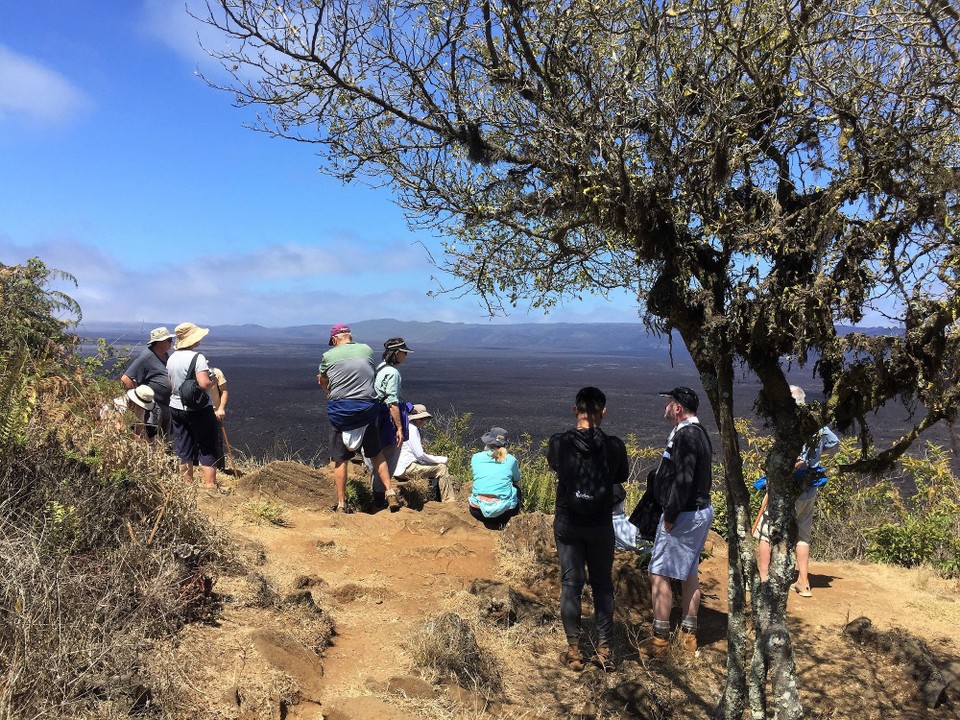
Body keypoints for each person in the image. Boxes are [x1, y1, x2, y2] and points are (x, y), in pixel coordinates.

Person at [548, 386, 629, 672]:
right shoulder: (615, 446)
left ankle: (574, 651)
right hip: (600, 524)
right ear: (602, 411)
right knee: (602, 584)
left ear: (575, 410)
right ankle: (604, 650)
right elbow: (621, 476)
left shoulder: (559, 442)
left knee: (571, 585)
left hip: (568, 521)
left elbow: (556, 466)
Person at [638, 386, 713, 659]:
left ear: (678, 408)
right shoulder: (698, 432)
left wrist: (670, 516)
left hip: (684, 515)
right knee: (689, 573)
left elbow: (684, 480)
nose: (666, 406)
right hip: (698, 511)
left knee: (658, 572)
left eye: (669, 402)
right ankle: (688, 636)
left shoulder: (687, 436)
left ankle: (659, 641)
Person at [754, 385, 840, 597]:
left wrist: (776, 475)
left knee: (765, 532)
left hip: (789, 489)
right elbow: (834, 443)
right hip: (809, 490)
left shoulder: (796, 426)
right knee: (803, 534)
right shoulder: (817, 425)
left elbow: (798, 461)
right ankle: (803, 582)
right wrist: (816, 460)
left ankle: (764, 580)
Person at [318, 323, 399, 513]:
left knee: (340, 460)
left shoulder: (328, 356)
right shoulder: (366, 350)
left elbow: (323, 380)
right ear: (350, 337)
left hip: (341, 412)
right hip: (367, 409)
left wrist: (328, 392)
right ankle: (390, 492)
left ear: (334, 339)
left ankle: (341, 503)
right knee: (376, 454)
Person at [166, 322, 222, 492]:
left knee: (183, 444)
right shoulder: (197, 358)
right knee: (207, 444)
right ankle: (210, 486)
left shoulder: (171, 358)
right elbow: (204, 383)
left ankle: (187, 485)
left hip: (175, 406)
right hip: (198, 409)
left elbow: (170, 383)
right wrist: (213, 380)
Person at [372, 337, 413, 503]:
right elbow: (392, 402)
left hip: (376, 417)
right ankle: (380, 496)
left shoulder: (380, 368)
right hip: (387, 420)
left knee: (378, 454)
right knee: (389, 456)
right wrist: (399, 428)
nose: (405, 356)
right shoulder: (393, 373)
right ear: (396, 353)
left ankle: (377, 493)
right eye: (404, 353)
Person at [393, 403, 457, 503]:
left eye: (424, 419)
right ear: (413, 418)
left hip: (398, 468)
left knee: (433, 467)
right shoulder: (412, 429)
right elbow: (420, 455)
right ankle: (449, 501)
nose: (423, 421)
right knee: (442, 468)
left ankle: (435, 498)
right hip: (407, 468)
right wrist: (441, 459)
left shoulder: (403, 427)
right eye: (421, 419)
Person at [120, 326, 175, 441]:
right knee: (152, 438)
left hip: (165, 405)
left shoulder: (164, 355)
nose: (171, 342)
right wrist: (135, 400)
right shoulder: (146, 357)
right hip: (153, 407)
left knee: (164, 439)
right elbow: (126, 379)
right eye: (169, 340)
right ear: (159, 342)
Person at [467, 426, 521, 527]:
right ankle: (513, 521)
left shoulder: (476, 457)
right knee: (516, 486)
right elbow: (517, 479)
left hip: (477, 511)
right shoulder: (510, 459)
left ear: (487, 442)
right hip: (504, 514)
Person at [207, 367, 229, 471]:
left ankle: (220, 469)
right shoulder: (191, 374)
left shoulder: (216, 372)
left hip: (214, 413)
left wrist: (221, 408)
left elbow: (224, 391)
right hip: (197, 413)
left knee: (217, 442)